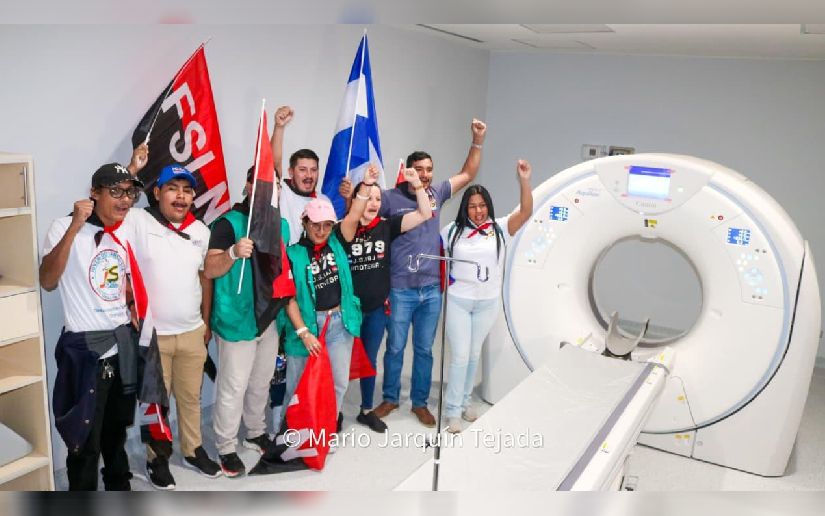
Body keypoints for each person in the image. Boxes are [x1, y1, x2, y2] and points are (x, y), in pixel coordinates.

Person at [349, 119, 487, 427]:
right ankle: (390, 398)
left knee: (424, 349)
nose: (424, 175)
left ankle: (420, 403)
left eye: (429, 170)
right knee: (395, 348)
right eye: (419, 170)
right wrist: (355, 191)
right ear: (408, 171)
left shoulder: (436, 192)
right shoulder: (389, 197)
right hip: (400, 287)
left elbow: (468, 173)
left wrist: (477, 140)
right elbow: (362, 214)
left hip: (431, 289)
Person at [40, 159, 145, 491]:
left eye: (129, 193)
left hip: (122, 343)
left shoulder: (123, 230)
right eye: (116, 192)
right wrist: (75, 227)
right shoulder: (63, 226)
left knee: (116, 432)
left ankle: (119, 487)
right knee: (84, 441)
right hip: (86, 352)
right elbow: (47, 281)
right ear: (93, 194)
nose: (125, 200)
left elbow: (121, 282)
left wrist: (132, 305)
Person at [120, 163, 220, 487]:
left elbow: (205, 279)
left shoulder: (200, 231)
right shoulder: (139, 221)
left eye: (187, 190)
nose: (181, 196)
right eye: (173, 189)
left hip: (192, 332)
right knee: (156, 404)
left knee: (190, 398)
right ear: (157, 192)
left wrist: (206, 322)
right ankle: (157, 458)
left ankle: (193, 449)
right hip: (154, 335)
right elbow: (114, 237)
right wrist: (132, 168)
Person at [440, 160, 534, 433]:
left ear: (488, 206)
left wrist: (525, 180)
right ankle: (453, 411)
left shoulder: (500, 227)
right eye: (472, 206)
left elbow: (526, 211)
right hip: (458, 301)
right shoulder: (452, 231)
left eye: (482, 205)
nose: (478, 211)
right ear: (465, 208)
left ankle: (466, 401)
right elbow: (436, 257)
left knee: (472, 356)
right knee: (460, 356)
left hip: (487, 302)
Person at [337, 164, 432, 432]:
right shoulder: (345, 227)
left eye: (379, 199)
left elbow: (425, 213)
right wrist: (366, 185)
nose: (374, 203)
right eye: (369, 198)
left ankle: (366, 409)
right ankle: (334, 412)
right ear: (359, 199)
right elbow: (353, 214)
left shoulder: (387, 227)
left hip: (376, 310)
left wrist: (418, 185)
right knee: (340, 363)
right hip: (348, 311)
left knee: (369, 361)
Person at [204, 167, 284, 478]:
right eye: (259, 182)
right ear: (248, 185)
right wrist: (234, 252)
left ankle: (255, 431)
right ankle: (225, 446)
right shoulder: (228, 223)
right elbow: (210, 269)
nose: (266, 189)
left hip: (268, 318)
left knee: (261, 381)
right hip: (236, 319)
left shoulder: (281, 224)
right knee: (232, 387)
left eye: (273, 185)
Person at [278, 197, 361, 439]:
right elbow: (288, 298)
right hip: (306, 328)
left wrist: (366, 186)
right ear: (304, 222)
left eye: (327, 225)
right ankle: (290, 436)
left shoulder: (337, 242)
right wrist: (303, 333)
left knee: (338, 383)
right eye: (315, 224)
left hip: (339, 324)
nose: (321, 231)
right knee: (297, 386)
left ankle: (325, 432)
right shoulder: (292, 254)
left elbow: (355, 215)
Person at [269, 105, 333, 245]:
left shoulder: (324, 201)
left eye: (313, 170)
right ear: (291, 172)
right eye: (303, 169)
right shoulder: (281, 191)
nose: (309, 175)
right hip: (285, 258)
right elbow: (272, 164)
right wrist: (279, 127)